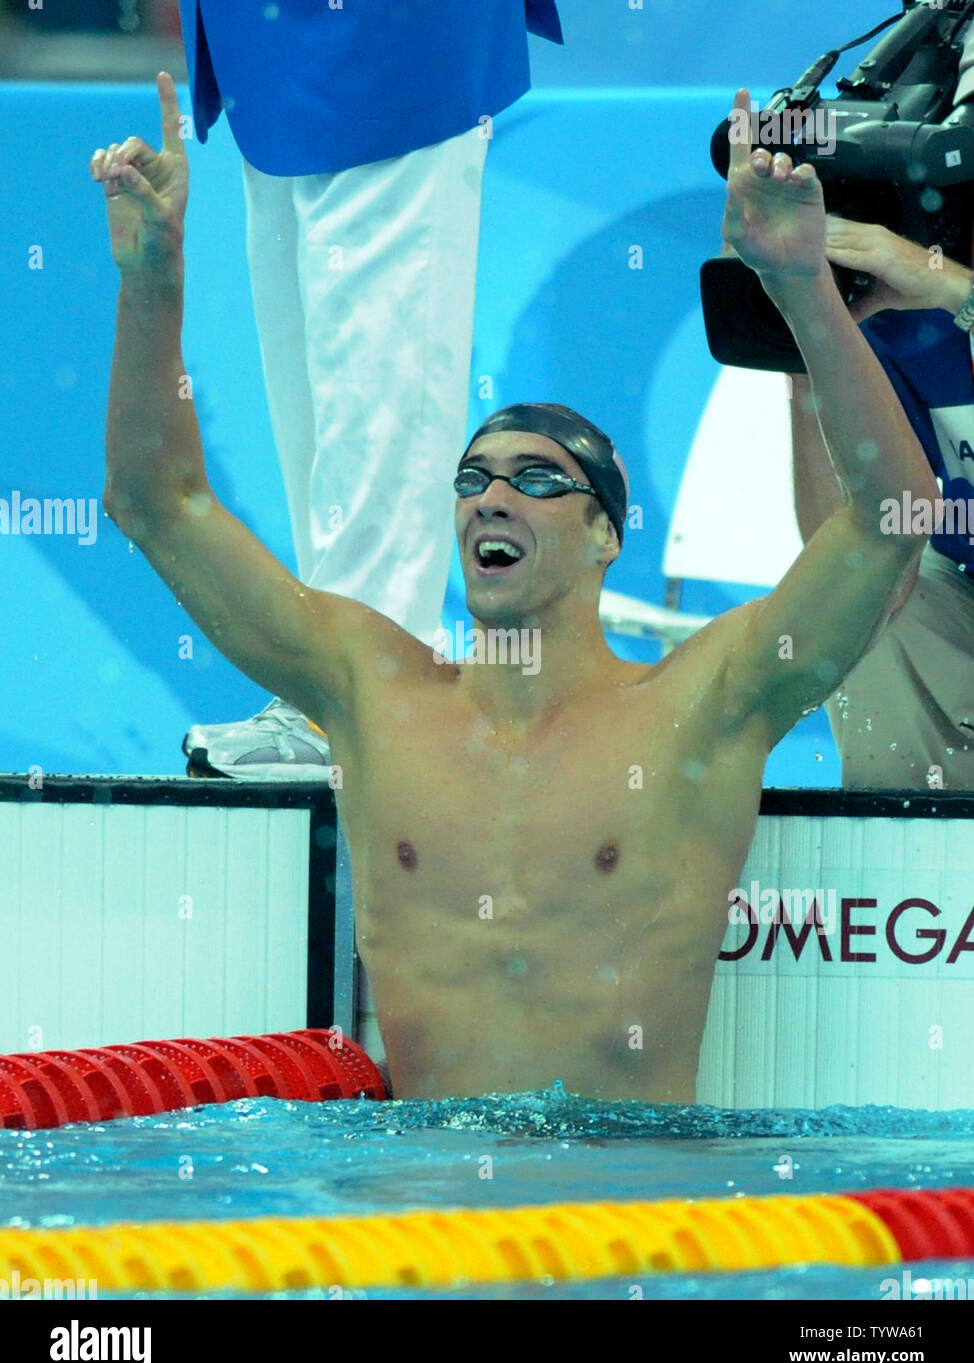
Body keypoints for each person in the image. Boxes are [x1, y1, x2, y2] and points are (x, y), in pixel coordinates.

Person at [93, 80, 937, 1103]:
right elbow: (158, 505)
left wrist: (800, 288)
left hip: (625, 1217)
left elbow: (890, 518)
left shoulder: (701, 706)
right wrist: (151, 282)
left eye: (537, 481)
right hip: (416, 1219)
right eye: (472, 480)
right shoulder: (375, 695)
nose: (492, 498)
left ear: (602, 538)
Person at [175, 0, 564, 779]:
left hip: (389, 35)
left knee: (379, 372)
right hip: (266, 41)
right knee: (313, 393)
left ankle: (364, 692)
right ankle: (329, 676)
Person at [790, 214, 974, 789]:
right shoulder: (899, 315)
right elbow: (841, 552)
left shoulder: (931, 285)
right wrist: (807, 340)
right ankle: (906, 856)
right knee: (870, 597)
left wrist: (958, 291)